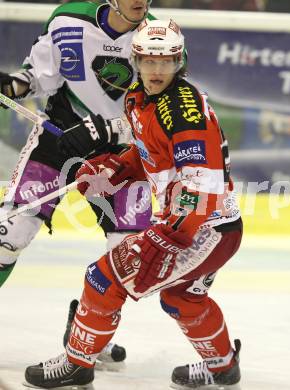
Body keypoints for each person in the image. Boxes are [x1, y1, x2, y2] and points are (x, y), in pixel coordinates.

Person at [25, 18, 243, 389]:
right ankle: (223, 367)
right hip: (211, 228)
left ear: (180, 62)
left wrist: (168, 238)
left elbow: (199, 188)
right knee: (181, 299)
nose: (157, 70)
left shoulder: (182, 114)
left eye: (166, 62)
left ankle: (78, 363)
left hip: (201, 230)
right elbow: (148, 153)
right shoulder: (138, 98)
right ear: (136, 61)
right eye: (148, 61)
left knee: (102, 279)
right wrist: (113, 170)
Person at [0, 0, 154, 367]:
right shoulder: (68, 19)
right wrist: (15, 85)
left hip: (122, 156)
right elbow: (39, 74)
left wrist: (107, 129)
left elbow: (158, 114)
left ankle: (86, 332)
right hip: (59, 140)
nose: (140, 2)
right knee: (10, 234)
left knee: (127, 255)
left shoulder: (156, 40)